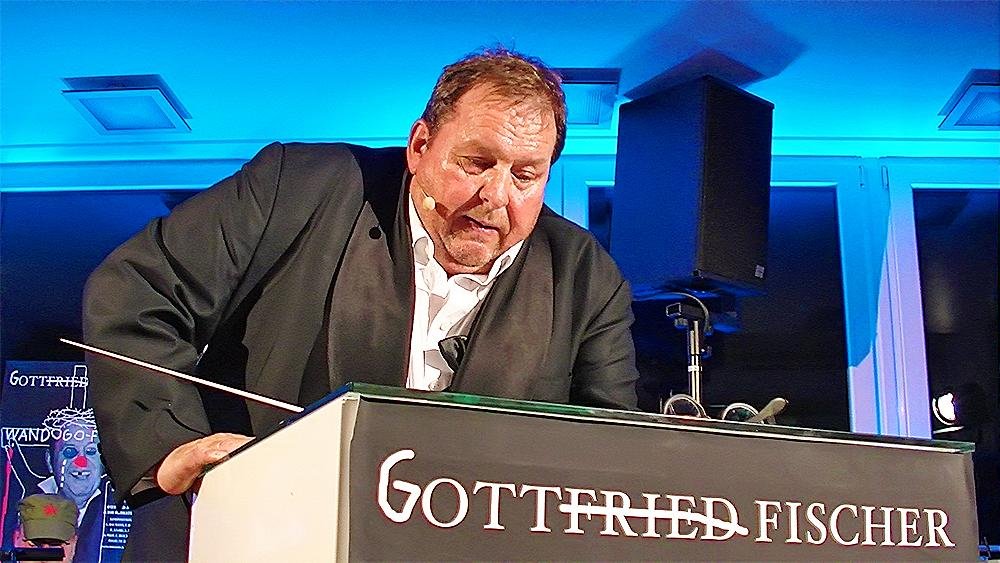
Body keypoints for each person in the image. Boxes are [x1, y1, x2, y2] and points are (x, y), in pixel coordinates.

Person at [83, 47, 639, 560]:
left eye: (525, 175)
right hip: (242, 534)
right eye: (475, 163)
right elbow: (138, 289)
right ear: (419, 146)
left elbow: (612, 457)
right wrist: (170, 444)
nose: (496, 197)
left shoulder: (586, 276)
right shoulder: (295, 187)